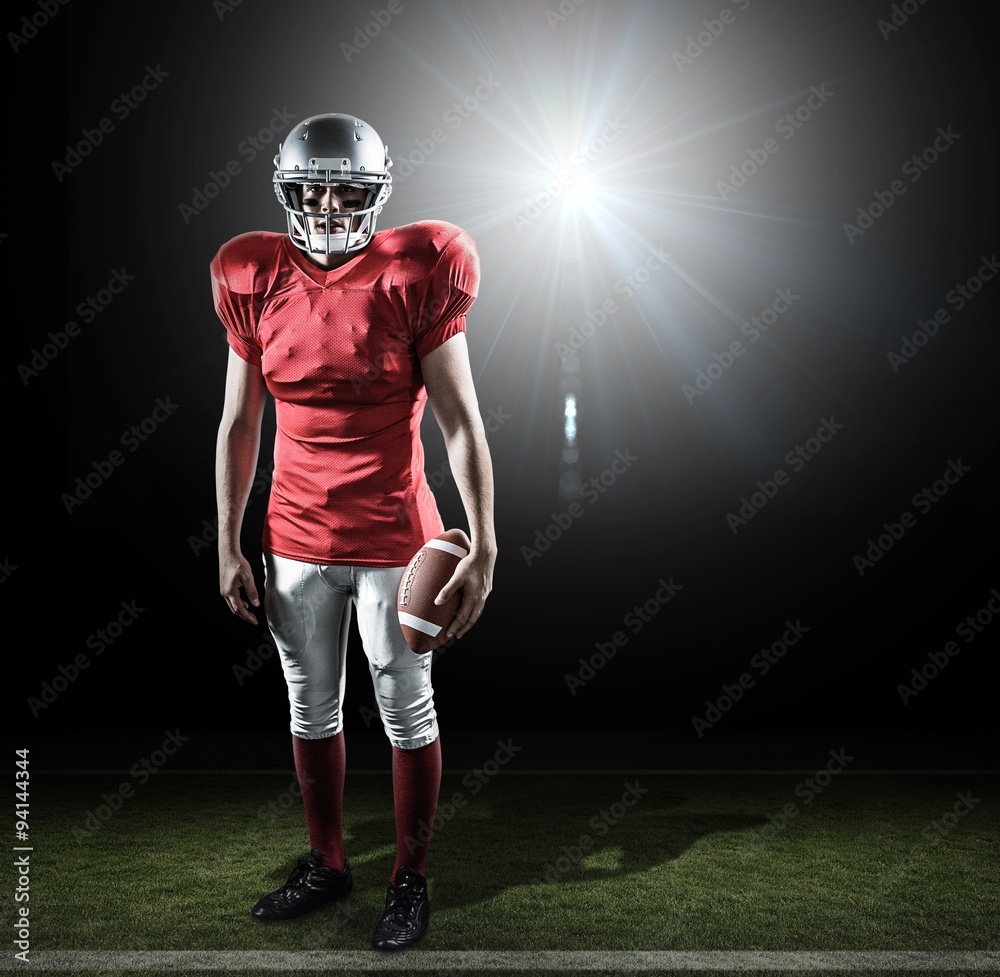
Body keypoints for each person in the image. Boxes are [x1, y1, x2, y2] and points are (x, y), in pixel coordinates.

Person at [211, 112, 496, 952]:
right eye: (312, 189)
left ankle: (410, 878)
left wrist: (482, 540)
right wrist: (228, 539)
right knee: (311, 704)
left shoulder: (419, 268)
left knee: (407, 707)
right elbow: (238, 423)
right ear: (286, 192)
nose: (329, 205)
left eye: (347, 190)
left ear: (379, 194)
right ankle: (328, 861)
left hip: (394, 534)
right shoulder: (251, 272)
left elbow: (462, 424)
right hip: (292, 532)